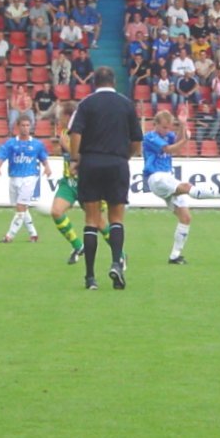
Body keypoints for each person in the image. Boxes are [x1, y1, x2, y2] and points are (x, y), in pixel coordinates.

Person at [68, 67, 143, 290]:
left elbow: (75, 133)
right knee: (116, 218)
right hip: (117, 164)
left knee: (91, 220)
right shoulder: (126, 104)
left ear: (95, 82)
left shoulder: (86, 104)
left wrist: (75, 159)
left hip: (91, 163)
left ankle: (90, 278)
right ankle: (116, 264)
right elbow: (137, 141)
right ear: (114, 82)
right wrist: (124, 157)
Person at [143, 109, 220, 264]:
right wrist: (186, 140)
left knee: (185, 217)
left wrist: (183, 124)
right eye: (163, 127)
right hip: (156, 177)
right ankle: (219, 192)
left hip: (167, 176)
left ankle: (175, 256)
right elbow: (169, 149)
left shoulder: (167, 135)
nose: (166, 130)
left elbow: (177, 139)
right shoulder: (150, 137)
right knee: (186, 187)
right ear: (154, 124)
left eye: (169, 127)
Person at [51, 103, 127, 266]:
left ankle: (120, 254)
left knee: (99, 223)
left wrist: (67, 148)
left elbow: (86, 156)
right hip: (68, 183)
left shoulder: (83, 133)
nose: (59, 121)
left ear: (68, 116)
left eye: (61, 117)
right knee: (56, 212)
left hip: (86, 182)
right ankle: (78, 246)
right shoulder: (64, 133)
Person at [0, 115, 52, 243]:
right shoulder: (11, 143)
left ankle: (9, 236)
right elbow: (2, 156)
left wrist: (47, 167)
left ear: (30, 127)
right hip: (14, 177)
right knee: (21, 208)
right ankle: (33, 234)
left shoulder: (37, 144)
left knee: (20, 208)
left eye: (27, 125)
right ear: (18, 126)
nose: (25, 128)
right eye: (23, 125)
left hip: (29, 178)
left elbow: (43, 157)